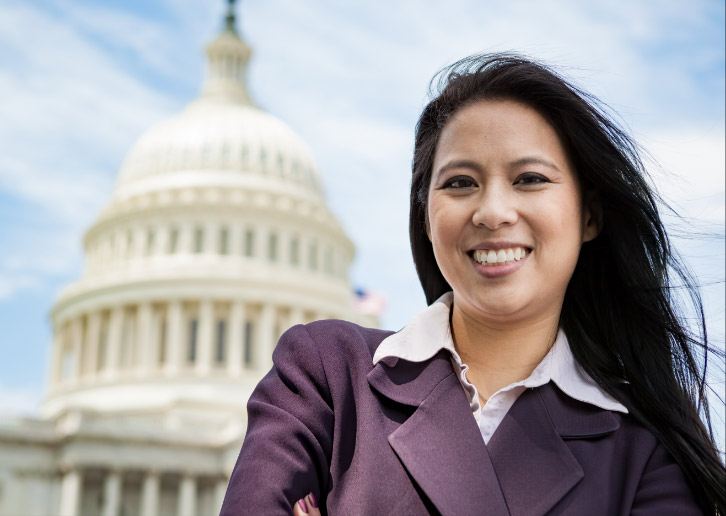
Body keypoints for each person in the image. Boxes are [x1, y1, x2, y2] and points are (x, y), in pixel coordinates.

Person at [220, 53, 725, 516]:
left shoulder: (646, 447)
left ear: (588, 215)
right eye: (460, 183)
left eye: (529, 179)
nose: (492, 213)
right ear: (426, 216)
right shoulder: (326, 374)